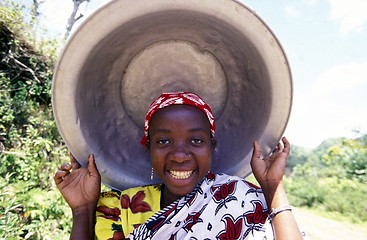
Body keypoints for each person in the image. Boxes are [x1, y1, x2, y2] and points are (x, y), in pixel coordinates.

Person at [54, 92, 303, 239]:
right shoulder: (120, 208)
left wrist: (273, 189)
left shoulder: (242, 198)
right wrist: (83, 211)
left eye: (196, 140)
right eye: (163, 141)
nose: (180, 155)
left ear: (212, 147)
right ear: (148, 147)